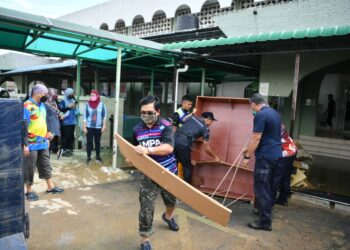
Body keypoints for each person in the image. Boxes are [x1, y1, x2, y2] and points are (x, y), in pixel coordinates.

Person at [125, 95, 179, 250]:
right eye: (143, 112)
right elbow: (135, 150)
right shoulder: (137, 129)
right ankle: (145, 238)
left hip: (167, 171)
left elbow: (169, 147)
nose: (145, 116)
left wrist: (148, 150)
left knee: (172, 201)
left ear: (158, 111)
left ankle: (168, 216)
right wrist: (133, 158)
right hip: (148, 173)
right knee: (146, 207)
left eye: (149, 112)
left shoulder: (166, 126)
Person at [242, 93, 282, 231]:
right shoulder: (274, 113)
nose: (251, 108)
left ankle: (265, 222)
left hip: (265, 157)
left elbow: (256, 137)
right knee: (269, 187)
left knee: (261, 188)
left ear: (253, 104)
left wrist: (247, 156)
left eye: (251, 106)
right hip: (276, 155)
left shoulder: (260, 115)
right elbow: (269, 135)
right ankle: (265, 212)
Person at [23, 84, 64, 201]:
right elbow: (23, 126)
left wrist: (47, 136)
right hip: (31, 142)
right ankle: (29, 191)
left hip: (43, 141)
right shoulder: (27, 106)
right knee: (30, 167)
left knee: (45, 164)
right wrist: (24, 144)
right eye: (44, 94)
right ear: (37, 94)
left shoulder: (42, 105)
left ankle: (50, 187)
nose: (46, 96)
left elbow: (44, 122)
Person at [174, 112, 220, 183]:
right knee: (187, 167)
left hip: (174, 138)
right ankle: (187, 189)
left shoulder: (192, 118)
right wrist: (215, 157)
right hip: (183, 143)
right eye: (212, 121)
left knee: (174, 163)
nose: (211, 124)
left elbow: (184, 126)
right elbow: (206, 147)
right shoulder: (205, 129)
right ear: (208, 119)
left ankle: (171, 184)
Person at [273, 124, 297, 206]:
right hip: (291, 150)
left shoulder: (273, 125)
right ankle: (283, 199)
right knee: (285, 176)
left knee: (276, 177)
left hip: (285, 152)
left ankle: (271, 201)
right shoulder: (277, 121)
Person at [82, 90, 108, 165]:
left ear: (97, 96)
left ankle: (98, 157)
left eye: (93, 95)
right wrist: (84, 127)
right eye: (91, 95)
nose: (92, 97)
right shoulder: (87, 104)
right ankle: (89, 157)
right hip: (89, 126)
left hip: (98, 127)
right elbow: (85, 117)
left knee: (97, 143)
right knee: (89, 143)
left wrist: (104, 125)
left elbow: (104, 116)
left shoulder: (102, 104)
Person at [59, 88, 77, 156]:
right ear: (67, 93)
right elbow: (61, 111)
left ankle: (69, 150)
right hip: (65, 122)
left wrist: (76, 111)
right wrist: (69, 107)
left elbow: (74, 109)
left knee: (71, 136)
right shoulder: (63, 102)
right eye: (71, 93)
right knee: (65, 136)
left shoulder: (72, 100)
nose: (72, 94)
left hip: (72, 122)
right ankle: (63, 150)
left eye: (73, 93)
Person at [45, 88, 61, 154]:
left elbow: (56, 111)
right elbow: (45, 115)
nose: (56, 95)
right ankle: (50, 149)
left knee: (56, 135)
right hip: (50, 122)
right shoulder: (46, 104)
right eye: (54, 94)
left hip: (56, 121)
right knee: (51, 136)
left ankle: (55, 149)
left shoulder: (54, 102)